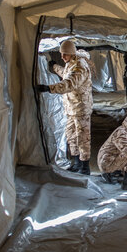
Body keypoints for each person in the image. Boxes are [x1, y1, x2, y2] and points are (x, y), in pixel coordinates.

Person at [36, 40, 93, 175]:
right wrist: (54, 66)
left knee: (82, 138)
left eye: (65, 55)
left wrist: (48, 88)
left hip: (81, 109)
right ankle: (77, 163)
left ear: (72, 53)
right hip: (72, 108)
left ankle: (85, 167)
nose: (62, 57)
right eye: (61, 54)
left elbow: (70, 83)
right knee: (71, 136)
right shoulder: (71, 63)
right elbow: (66, 73)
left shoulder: (80, 66)